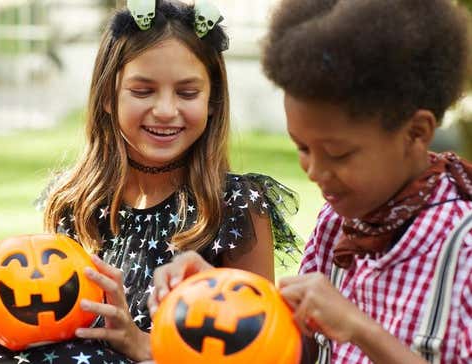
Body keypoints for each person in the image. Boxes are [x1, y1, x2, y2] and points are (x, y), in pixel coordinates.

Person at [0, 1, 301, 363]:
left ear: (212, 101)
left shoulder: (235, 204)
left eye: (187, 93)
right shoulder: (77, 200)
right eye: (142, 91)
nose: (166, 110)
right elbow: (53, 312)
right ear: (107, 96)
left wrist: (142, 344)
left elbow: (260, 345)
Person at [149, 0, 472, 363]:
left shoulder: (461, 244)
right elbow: (293, 348)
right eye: (302, 148)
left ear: (416, 132)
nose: (315, 171)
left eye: (338, 154)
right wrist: (223, 295)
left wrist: (359, 328)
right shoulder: (337, 222)